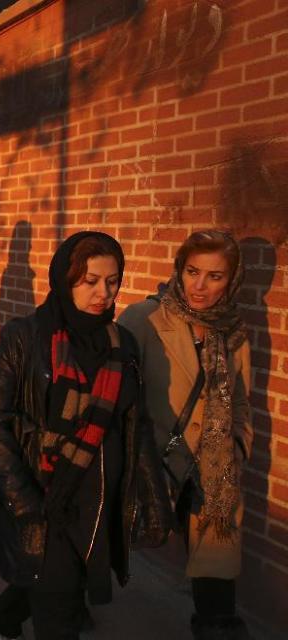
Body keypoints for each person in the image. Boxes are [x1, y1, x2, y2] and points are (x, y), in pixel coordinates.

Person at [0, 231, 171, 640]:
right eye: (89, 281)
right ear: (65, 280)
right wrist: (23, 499)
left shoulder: (124, 344)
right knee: (59, 606)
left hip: (100, 497)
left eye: (112, 281)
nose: (103, 292)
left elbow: (138, 424)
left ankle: (5, 616)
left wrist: (154, 496)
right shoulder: (25, 337)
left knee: (68, 582)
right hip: (46, 495)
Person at [119, 231, 252, 640]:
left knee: (215, 551)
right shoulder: (143, 319)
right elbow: (115, 392)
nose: (200, 286)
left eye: (215, 276)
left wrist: (238, 448)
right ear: (179, 269)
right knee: (111, 536)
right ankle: (67, 603)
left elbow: (242, 398)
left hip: (213, 468)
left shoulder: (232, 329)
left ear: (231, 281)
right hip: (151, 461)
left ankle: (214, 623)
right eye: (193, 271)